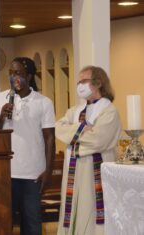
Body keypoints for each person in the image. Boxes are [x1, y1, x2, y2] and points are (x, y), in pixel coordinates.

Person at [0, 57, 55, 235]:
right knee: (3, 221)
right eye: (10, 73)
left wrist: (48, 170)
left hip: (33, 173)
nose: (13, 76)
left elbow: (49, 138)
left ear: (29, 76)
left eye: (18, 73)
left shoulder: (44, 102)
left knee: (32, 222)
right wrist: (2, 116)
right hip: (5, 171)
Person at [56, 66, 121, 235]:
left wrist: (74, 144)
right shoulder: (75, 111)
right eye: (79, 82)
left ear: (98, 83)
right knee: (72, 212)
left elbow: (99, 140)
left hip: (94, 170)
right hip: (73, 168)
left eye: (84, 81)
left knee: (90, 209)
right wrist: (81, 128)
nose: (79, 85)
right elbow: (58, 128)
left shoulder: (109, 111)